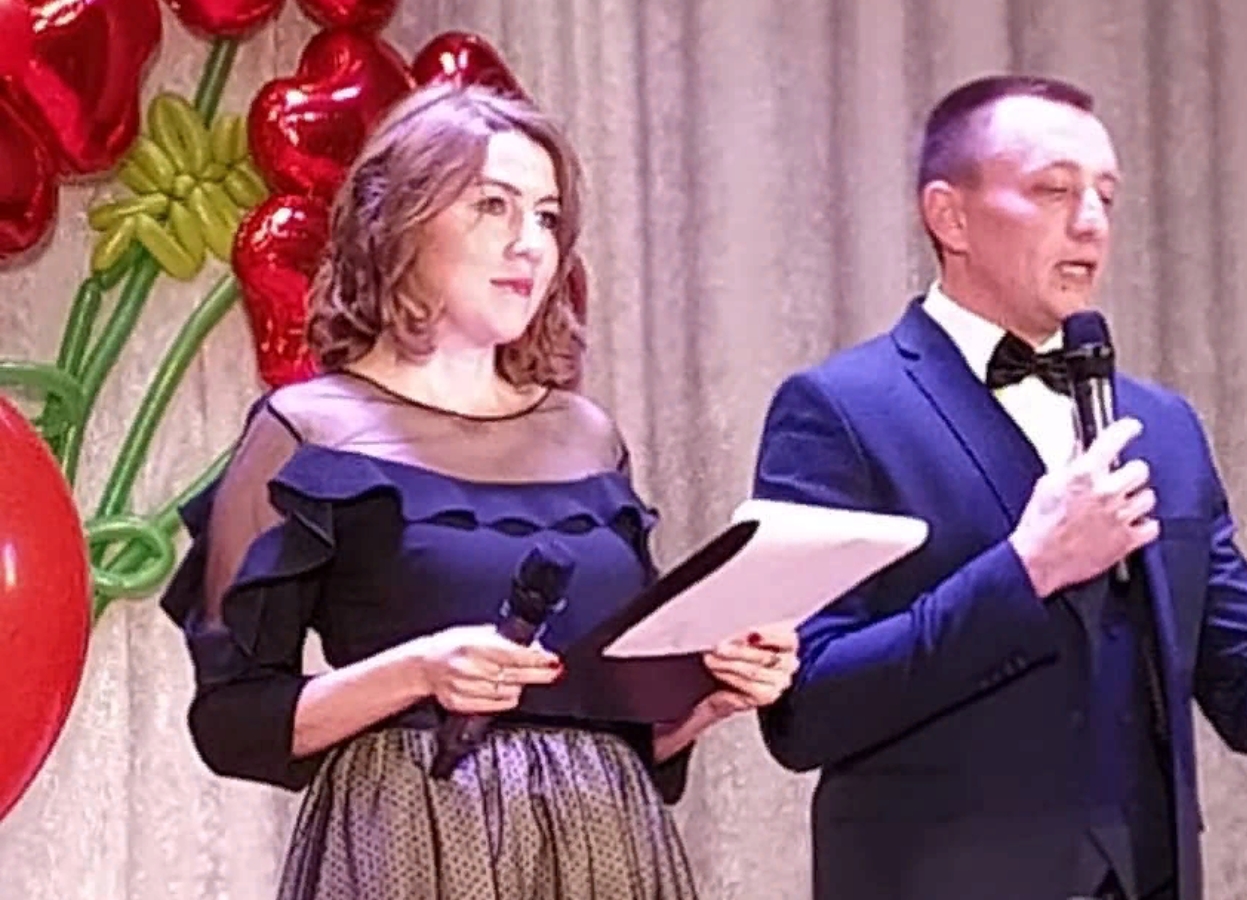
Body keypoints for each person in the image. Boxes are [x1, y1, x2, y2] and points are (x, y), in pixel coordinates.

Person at [749, 74, 1247, 900]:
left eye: (1106, 197)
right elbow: (806, 709)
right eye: (1053, 190)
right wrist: (1027, 569)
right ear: (950, 216)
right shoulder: (840, 410)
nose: (1090, 222)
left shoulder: (1163, 426)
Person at [159, 82, 800, 900]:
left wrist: (709, 695)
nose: (530, 244)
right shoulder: (308, 431)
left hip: (607, 850)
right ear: (399, 225)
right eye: (493, 206)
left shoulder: (588, 436)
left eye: (546, 217)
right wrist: (419, 671)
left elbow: (625, 729)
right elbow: (232, 723)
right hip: (411, 846)